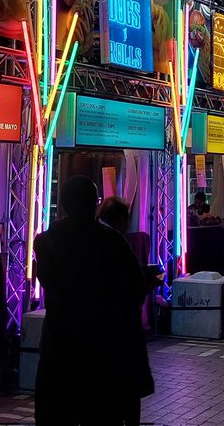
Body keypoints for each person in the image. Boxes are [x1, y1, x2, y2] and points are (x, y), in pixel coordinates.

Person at [33, 176, 154, 425]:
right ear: (93, 204)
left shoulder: (45, 242)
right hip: (103, 351)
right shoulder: (112, 242)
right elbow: (136, 287)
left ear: (64, 204)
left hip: (60, 346)